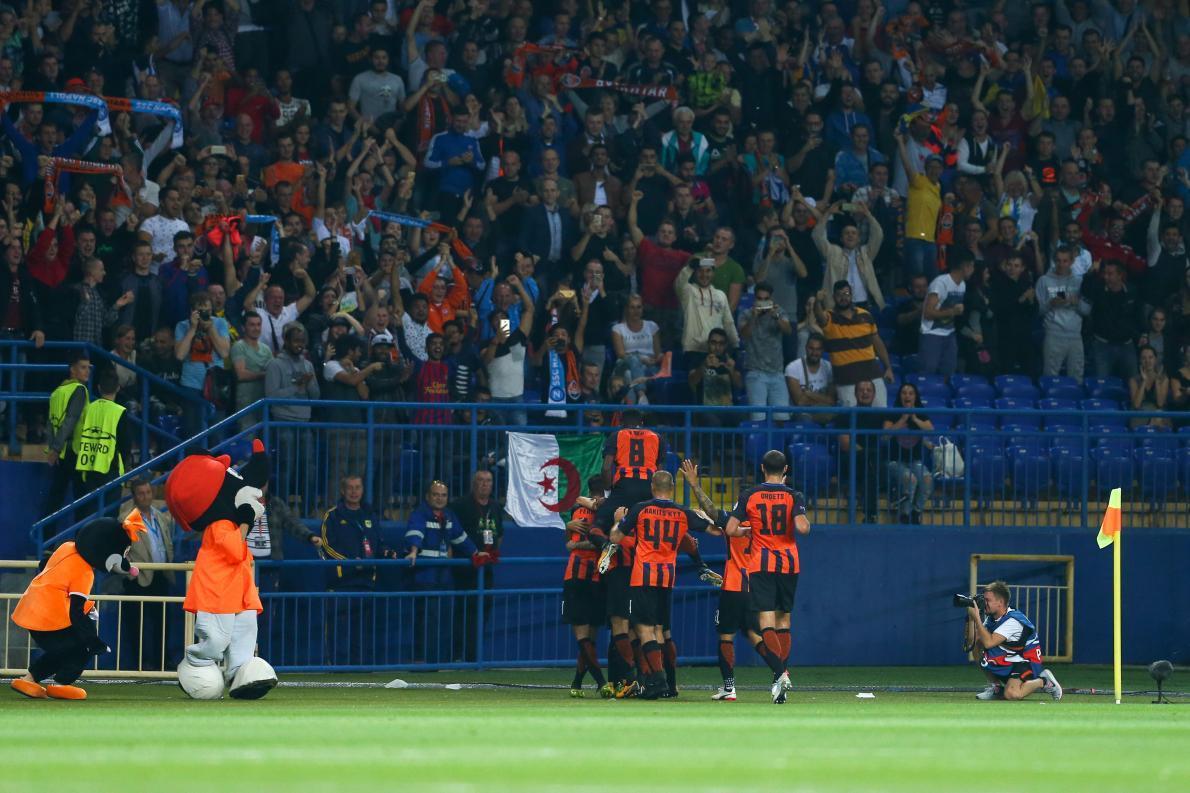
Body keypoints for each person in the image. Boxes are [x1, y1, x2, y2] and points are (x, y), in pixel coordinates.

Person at [610, 470, 715, 700]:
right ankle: (662, 681)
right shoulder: (682, 512)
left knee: (643, 629)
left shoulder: (640, 509)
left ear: (652, 486)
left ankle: (658, 680)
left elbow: (615, 538)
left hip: (643, 575)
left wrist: (618, 520)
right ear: (673, 487)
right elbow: (716, 530)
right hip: (667, 577)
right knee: (660, 630)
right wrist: (704, 513)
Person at [723, 449, 811, 705]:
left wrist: (745, 531)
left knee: (766, 620)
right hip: (789, 563)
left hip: (761, 563)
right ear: (786, 470)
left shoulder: (749, 495)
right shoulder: (794, 495)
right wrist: (801, 519)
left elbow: (730, 528)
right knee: (784, 619)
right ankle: (780, 676)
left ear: (762, 468)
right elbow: (803, 528)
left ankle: (779, 674)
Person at [680, 460, 766, 703]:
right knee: (755, 634)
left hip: (734, 585)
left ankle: (729, 688)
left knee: (726, 636)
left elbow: (710, 510)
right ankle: (780, 672)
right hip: (756, 585)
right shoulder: (763, 524)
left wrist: (694, 485)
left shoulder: (732, 521)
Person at [404, 480, 490, 663]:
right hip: (425, 577)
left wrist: (475, 553)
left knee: (440, 621)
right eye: (436, 494)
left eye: (443, 495)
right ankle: (421, 660)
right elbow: (415, 532)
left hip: (443, 578)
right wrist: (413, 551)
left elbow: (460, 537)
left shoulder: (449, 515)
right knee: (425, 621)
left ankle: (435, 660)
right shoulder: (420, 514)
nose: (440, 498)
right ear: (428, 496)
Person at [319, 474, 388, 666]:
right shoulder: (332, 516)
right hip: (340, 583)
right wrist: (349, 562)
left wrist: (386, 552)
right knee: (339, 630)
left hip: (366, 582)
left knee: (362, 630)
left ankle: (361, 668)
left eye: (357, 487)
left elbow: (379, 543)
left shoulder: (370, 515)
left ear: (363, 490)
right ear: (342, 491)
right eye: (350, 488)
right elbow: (327, 546)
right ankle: (337, 668)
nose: (354, 492)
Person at [968, 581, 1063, 702]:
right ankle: (996, 688)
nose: (983, 603)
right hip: (1011, 658)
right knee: (977, 645)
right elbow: (972, 642)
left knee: (1011, 694)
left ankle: (1044, 681)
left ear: (1000, 602)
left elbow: (989, 643)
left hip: (1027, 661)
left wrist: (977, 617)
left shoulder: (1013, 621)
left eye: (987, 600)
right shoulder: (993, 617)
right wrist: (971, 619)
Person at [119, 479, 177, 670]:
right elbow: (122, 549)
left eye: (148, 492)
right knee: (136, 623)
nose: (146, 497)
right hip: (139, 576)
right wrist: (131, 573)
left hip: (161, 574)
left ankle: (162, 661)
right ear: (134, 496)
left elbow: (167, 542)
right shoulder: (128, 518)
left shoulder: (160, 516)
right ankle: (140, 663)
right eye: (141, 493)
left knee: (162, 621)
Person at [562, 481, 612, 698]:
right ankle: (601, 683)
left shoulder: (577, 510)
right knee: (588, 636)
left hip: (578, 576)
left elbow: (570, 543)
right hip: (594, 577)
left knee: (585, 638)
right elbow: (601, 543)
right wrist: (569, 531)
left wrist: (571, 537)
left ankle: (578, 683)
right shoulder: (607, 512)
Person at [449, 469, 503, 663]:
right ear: (473, 483)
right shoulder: (460, 505)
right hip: (465, 567)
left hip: (486, 568)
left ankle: (474, 657)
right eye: (481, 480)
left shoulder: (495, 506)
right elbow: (452, 533)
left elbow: (500, 534)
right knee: (463, 612)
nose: (485, 484)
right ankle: (457, 655)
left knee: (483, 611)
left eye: (488, 480)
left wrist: (492, 553)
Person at [264, 324, 320, 508]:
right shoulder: (275, 364)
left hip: (305, 422)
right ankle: (282, 508)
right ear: (286, 341)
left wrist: (309, 383)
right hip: (283, 422)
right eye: (296, 340)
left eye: (302, 341)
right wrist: (296, 386)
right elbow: (271, 396)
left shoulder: (308, 364)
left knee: (309, 467)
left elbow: (316, 396)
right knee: (286, 466)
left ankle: (308, 509)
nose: (299, 345)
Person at [813, 282, 894, 407]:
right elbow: (819, 316)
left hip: (872, 375)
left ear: (851, 295)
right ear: (834, 297)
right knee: (851, 416)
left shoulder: (866, 315)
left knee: (880, 412)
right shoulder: (829, 317)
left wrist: (888, 367)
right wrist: (818, 302)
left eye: (846, 293)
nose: (843, 297)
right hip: (846, 379)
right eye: (839, 295)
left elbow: (878, 343)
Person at [73, 367, 133, 501]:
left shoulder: (89, 408)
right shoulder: (120, 411)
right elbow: (125, 444)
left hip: (87, 469)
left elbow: (78, 436)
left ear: (99, 388)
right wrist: (126, 465)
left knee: (90, 510)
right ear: (118, 388)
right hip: (111, 469)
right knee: (109, 512)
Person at [44, 352, 91, 520]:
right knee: (81, 500)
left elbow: (50, 423)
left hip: (60, 452)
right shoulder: (80, 389)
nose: (87, 371)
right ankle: (81, 535)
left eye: (88, 368)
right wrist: (56, 448)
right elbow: (70, 420)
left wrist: (53, 448)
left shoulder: (57, 391)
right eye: (83, 367)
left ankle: (47, 534)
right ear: (72, 370)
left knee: (55, 497)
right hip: (74, 450)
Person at [739, 281, 793, 422]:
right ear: (754, 299)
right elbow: (744, 335)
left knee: (782, 418)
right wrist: (754, 317)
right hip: (755, 372)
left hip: (777, 372)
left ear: (771, 299)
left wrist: (776, 317)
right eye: (759, 299)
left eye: (766, 299)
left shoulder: (779, 312)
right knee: (758, 418)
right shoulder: (746, 314)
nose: (763, 302)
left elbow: (788, 330)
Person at [834, 380, 886, 523]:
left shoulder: (880, 416)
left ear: (874, 394)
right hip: (850, 460)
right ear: (855, 394)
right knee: (871, 461)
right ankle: (871, 514)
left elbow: (888, 434)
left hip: (873, 463)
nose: (865, 393)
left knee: (872, 466)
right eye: (861, 390)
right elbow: (845, 443)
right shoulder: (846, 415)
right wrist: (865, 453)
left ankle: (870, 514)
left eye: (869, 390)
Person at [883, 383, 936, 525]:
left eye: (911, 393)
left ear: (915, 397)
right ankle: (904, 515)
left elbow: (931, 430)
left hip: (915, 461)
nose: (907, 396)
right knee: (910, 479)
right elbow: (885, 435)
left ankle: (916, 512)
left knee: (927, 479)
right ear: (899, 396)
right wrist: (902, 420)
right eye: (904, 393)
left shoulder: (919, 412)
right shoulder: (893, 413)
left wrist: (915, 419)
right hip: (894, 461)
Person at [1035, 246, 1090, 380]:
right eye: (1058, 261)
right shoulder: (1043, 281)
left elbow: (1087, 311)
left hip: (1075, 336)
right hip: (1053, 334)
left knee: (1076, 378)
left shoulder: (1080, 282)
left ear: (1072, 261)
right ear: (1054, 261)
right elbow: (1037, 312)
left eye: (1065, 261)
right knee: (1050, 377)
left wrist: (1077, 303)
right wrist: (1050, 304)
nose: (1061, 264)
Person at [919, 252, 975, 376]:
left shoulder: (962, 285)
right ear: (966, 266)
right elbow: (928, 313)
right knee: (928, 372)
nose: (973, 270)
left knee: (949, 372)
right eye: (972, 266)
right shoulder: (941, 283)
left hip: (949, 333)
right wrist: (952, 312)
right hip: (932, 333)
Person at [229, 311, 272, 425]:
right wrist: (264, 374)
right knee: (248, 435)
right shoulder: (238, 346)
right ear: (243, 327)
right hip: (246, 404)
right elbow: (241, 374)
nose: (256, 328)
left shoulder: (266, 349)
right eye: (252, 325)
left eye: (258, 324)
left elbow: (273, 372)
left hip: (263, 402)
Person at [785, 333, 836, 421]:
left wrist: (809, 394)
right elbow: (799, 402)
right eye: (811, 348)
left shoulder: (829, 367)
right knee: (805, 419)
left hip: (823, 412)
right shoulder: (793, 367)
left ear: (823, 350)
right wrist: (823, 399)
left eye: (818, 349)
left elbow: (831, 401)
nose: (814, 353)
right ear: (806, 348)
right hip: (801, 413)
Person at [1129, 346, 1171, 429]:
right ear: (1140, 360)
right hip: (1140, 415)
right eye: (1143, 358)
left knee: (1159, 417)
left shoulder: (1164, 379)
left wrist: (1157, 382)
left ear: (1155, 359)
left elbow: (1160, 403)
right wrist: (1144, 381)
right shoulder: (1133, 380)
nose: (1147, 361)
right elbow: (1136, 405)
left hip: (1159, 413)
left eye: (1150, 357)